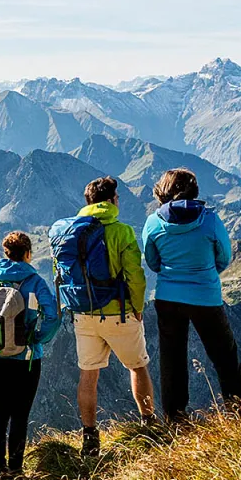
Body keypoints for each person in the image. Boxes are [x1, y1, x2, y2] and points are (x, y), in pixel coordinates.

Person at [142, 168, 241, 422]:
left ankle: (176, 419)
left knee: (172, 360)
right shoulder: (210, 220)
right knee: (225, 357)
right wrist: (204, 273)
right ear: (194, 190)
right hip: (206, 298)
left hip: (168, 299)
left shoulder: (153, 222)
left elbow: (152, 262)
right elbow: (224, 257)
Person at [67, 176, 156, 456]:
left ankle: (90, 437)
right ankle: (149, 423)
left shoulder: (71, 231)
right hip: (118, 312)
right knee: (137, 366)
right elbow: (136, 276)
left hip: (83, 312)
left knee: (88, 375)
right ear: (113, 200)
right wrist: (138, 306)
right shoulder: (122, 231)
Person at [0, 232, 60, 475]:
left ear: (6, 253)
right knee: (20, 413)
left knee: (0, 411)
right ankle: (15, 468)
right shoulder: (35, 281)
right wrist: (37, 338)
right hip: (27, 358)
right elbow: (53, 315)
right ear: (27, 253)